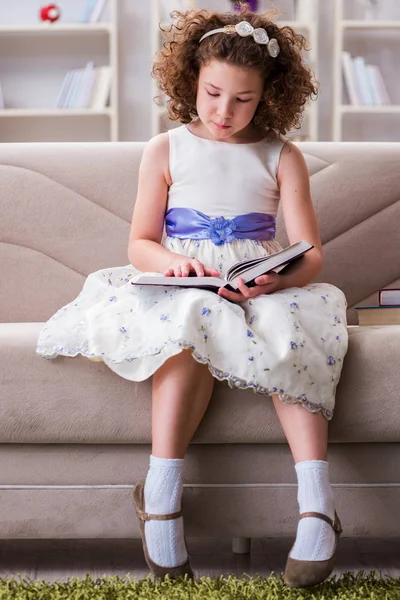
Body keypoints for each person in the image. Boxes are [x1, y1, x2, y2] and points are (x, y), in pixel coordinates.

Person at [36, 7, 348, 588]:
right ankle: (160, 496)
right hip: (188, 281)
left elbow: (310, 251)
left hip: (257, 283)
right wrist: (173, 263)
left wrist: (275, 279)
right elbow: (139, 243)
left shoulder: (282, 155)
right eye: (212, 94)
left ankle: (317, 504)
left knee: (293, 329)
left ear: (269, 97)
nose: (224, 112)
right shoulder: (165, 149)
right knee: (190, 318)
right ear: (190, 81)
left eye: (243, 100)